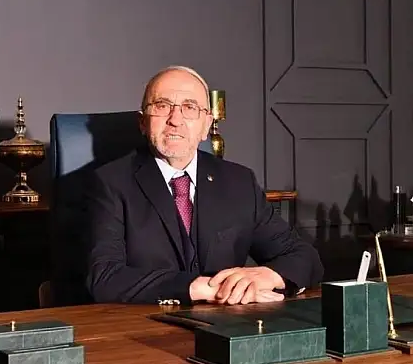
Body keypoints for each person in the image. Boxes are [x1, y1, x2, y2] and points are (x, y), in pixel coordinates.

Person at [84, 65, 323, 305]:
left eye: (189, 108)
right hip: (144, 322)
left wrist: (268, 275)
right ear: (143, 123)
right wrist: (201, 288)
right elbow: (105, 277)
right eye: (162, 106)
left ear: (206, 125)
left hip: (229, 321)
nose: (175, 120)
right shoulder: (111, 183)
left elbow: (305, 257)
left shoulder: (239, 182)